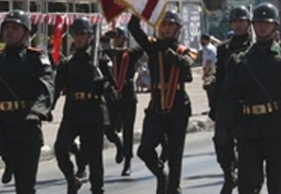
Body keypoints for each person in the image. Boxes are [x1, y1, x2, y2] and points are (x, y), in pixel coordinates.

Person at [220, 3, 281, 194]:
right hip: (248, 128)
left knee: (277, 184)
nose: (262, 27)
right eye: (258, 23)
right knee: (247, 184)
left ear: (275, 25)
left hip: (278, 126)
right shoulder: (239, 60)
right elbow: (228, 96)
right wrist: (223, 126)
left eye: (267, 23)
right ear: (253, 25)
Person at [0, 10, 54, 194]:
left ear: (26, 33)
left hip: (26, 125)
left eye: (15, 27)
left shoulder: (36, 59)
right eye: (6, 27)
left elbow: (46, 89)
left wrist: (37, 111)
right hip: (0, 123)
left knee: (25, 187)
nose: (9, 31)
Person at [128, 11, 195, 194]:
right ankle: (160, 175)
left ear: (177, 28)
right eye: (163, 24)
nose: (166, 29)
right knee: (144, 150)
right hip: (157, 105)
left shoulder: (183, 50)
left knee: (175, 153)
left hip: (178, 106)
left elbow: (185, 64)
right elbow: (133, 28)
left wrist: (165, 50)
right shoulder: (153, 47)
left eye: (170, 25)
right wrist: (138, 9)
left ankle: (174, 188)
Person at [54, 17, 109, 194]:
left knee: (94, 158)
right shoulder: (68, 62)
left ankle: (98, 189)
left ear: (90, 36)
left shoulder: (100, 59)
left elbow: (113, 86)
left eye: (82, 34)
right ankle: (72, 180)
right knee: (61, 148)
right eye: (76, 34)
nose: (78, 38)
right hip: (73, 111)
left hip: (93, 111)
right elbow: (56, 88)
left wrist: (103, 84)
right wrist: (47, 108)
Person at [212, 6, 252, 193]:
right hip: (228, 101)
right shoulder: (224, 49)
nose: (238, 25)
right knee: (221, 141)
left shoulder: (255, 45)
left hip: (250, 103)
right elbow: (219, 78)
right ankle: (229, 175)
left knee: (248, 147)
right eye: (235, 21)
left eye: (241, 21)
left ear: (248, 23)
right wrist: (215, 106)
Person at [102, 26, 144, 176]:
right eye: (114, 38)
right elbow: (98, 48)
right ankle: (118, 144)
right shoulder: (110, 54)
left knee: (128, 129)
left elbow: (141, 47)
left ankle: (127, 162)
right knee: (109, 129)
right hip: (113, 95)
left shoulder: (130, 54)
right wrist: (105, 37)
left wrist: (125, 47)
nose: (115, 40)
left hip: (127, 94)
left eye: (117, 37)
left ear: (124, 39)